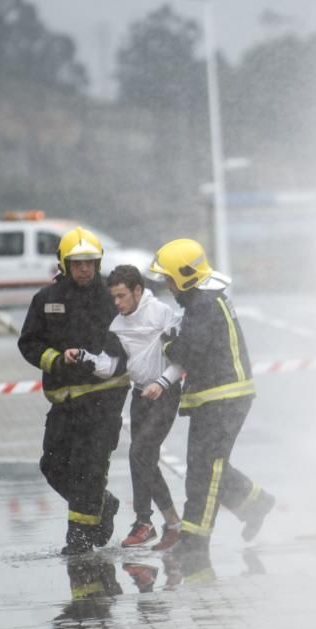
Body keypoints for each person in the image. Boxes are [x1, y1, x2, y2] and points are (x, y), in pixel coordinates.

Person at [147, 238, 275, 572]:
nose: (168, 287)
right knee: (207, 465)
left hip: (224, 397)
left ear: (184, 277)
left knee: (207, 469)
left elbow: (189, 351)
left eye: (170, 279)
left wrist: (166, 341)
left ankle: (194, 541)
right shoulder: (202, 301)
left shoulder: (203, 304)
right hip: (219, 397)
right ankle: (255, 502)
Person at [18, 227, 130, 555]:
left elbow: (130, 337)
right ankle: (103, 506)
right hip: (64, 403)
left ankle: (79, 540)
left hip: (102, 402)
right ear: (64, 263)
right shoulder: (46, 299)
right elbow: (28, 342)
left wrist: (99, 359)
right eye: (77, 263)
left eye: (90, 262)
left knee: (87, 469)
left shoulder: (112, 297)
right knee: (52, 466)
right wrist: (55, 360)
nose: (85, 269)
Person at [103, 264, 183, 552]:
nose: (117, 302)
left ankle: (143, 522)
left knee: (139, 452)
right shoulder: (118, 323)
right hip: (139, 396)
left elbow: (182, 357)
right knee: (145, 459)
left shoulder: (161, 313)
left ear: (138, 291)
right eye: (113, 297)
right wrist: (86, 359)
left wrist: (162, 383)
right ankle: (174, 524)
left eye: (122, 296)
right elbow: (114, 364)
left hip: (165, 392)